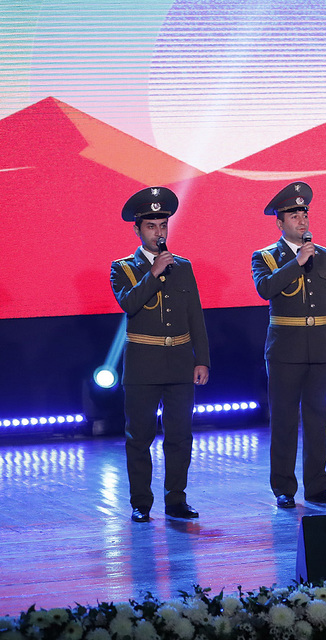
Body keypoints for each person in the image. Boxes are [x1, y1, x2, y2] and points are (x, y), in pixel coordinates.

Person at [111, 186, 209, 523]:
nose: (159, 233)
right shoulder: (123, 268)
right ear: (137, 230)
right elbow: (129, 303)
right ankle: (141, 503)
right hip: (143, 365)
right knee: (139, 438)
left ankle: (176, 500)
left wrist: (202, 359)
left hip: (180, 362)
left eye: (163, 225)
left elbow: (195, 314)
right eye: (151, 226)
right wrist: (153, 274)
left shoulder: (183, 266)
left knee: (180, 437)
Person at [251, 181, 326, 509]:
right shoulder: (266, 257)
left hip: (320, 347)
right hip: (285, 351)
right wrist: (296, 263)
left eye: (304, 214)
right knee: (283, 421)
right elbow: (265, 289)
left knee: (317, 420)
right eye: (294, 216)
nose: (302, 220)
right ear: (280, 223)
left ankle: (317, 486)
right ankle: (283, 487)